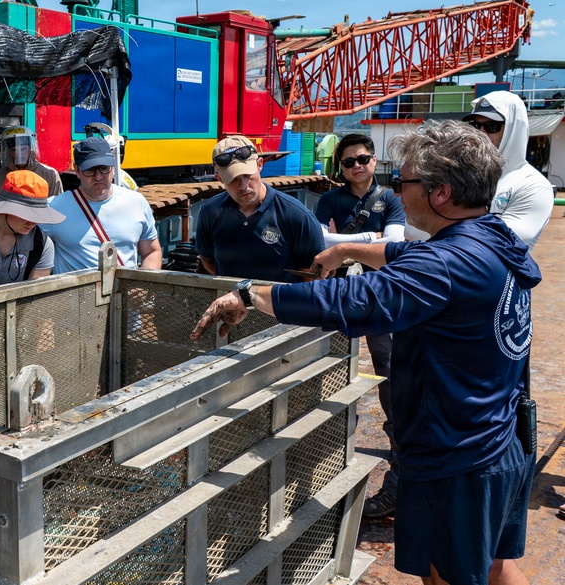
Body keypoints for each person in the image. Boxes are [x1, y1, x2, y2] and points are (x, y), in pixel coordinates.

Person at [193, 120, 538, 585]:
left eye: (403, 181)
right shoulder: (492, 237)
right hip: (501, 438)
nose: (397, 190)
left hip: (456, 457)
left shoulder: (444, 265)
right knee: (496, 563)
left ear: (440, 193)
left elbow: (349, 300)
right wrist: (350, 251)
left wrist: (250, 294)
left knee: (446, 575)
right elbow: (408, 257)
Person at [313, 133, 405, 518]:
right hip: (341, 295)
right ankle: (328, 453)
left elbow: (393, 245)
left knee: (390, 372)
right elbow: (319, 238)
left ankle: (399, 453)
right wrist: (370, 238)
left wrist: (344, 243)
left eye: (363, 159)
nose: (357, 166)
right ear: (341, 166)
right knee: (331, 369)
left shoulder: (391, 199)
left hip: (381, 298)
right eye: (349, 161)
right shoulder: (329, 199)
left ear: (374, 160)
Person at [196, 135, 324, 283]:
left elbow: (311, 276)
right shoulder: (210, 212)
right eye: (233, 179)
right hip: (228, 297)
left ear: (260, 164)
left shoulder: (297, 216)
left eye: (247, 175)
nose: (243, 186)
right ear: (219, 178)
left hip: (280, 298)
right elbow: (207, 259)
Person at [41, 137, 161, 272]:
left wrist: (143, 283)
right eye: (90, 170)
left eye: (104, 168)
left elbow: (152, 252)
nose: (98, 177)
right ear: (77, 170)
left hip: (126, 286)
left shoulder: (137, 202)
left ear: (113, 167)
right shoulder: (54, 208)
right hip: (77, 287)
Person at [463, 91, 554, 249]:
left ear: (514, 129)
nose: (481, 133)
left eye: (491, 126)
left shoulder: (533, 185)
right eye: (476, 125)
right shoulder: (463, 174)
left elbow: (500, 244)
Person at [0, 126, 63, 198]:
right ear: (8, 152)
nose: (19, 154)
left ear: (30, 149)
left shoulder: (50, 174)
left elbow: (57, 204)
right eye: (14, 150)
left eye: (23, 149)